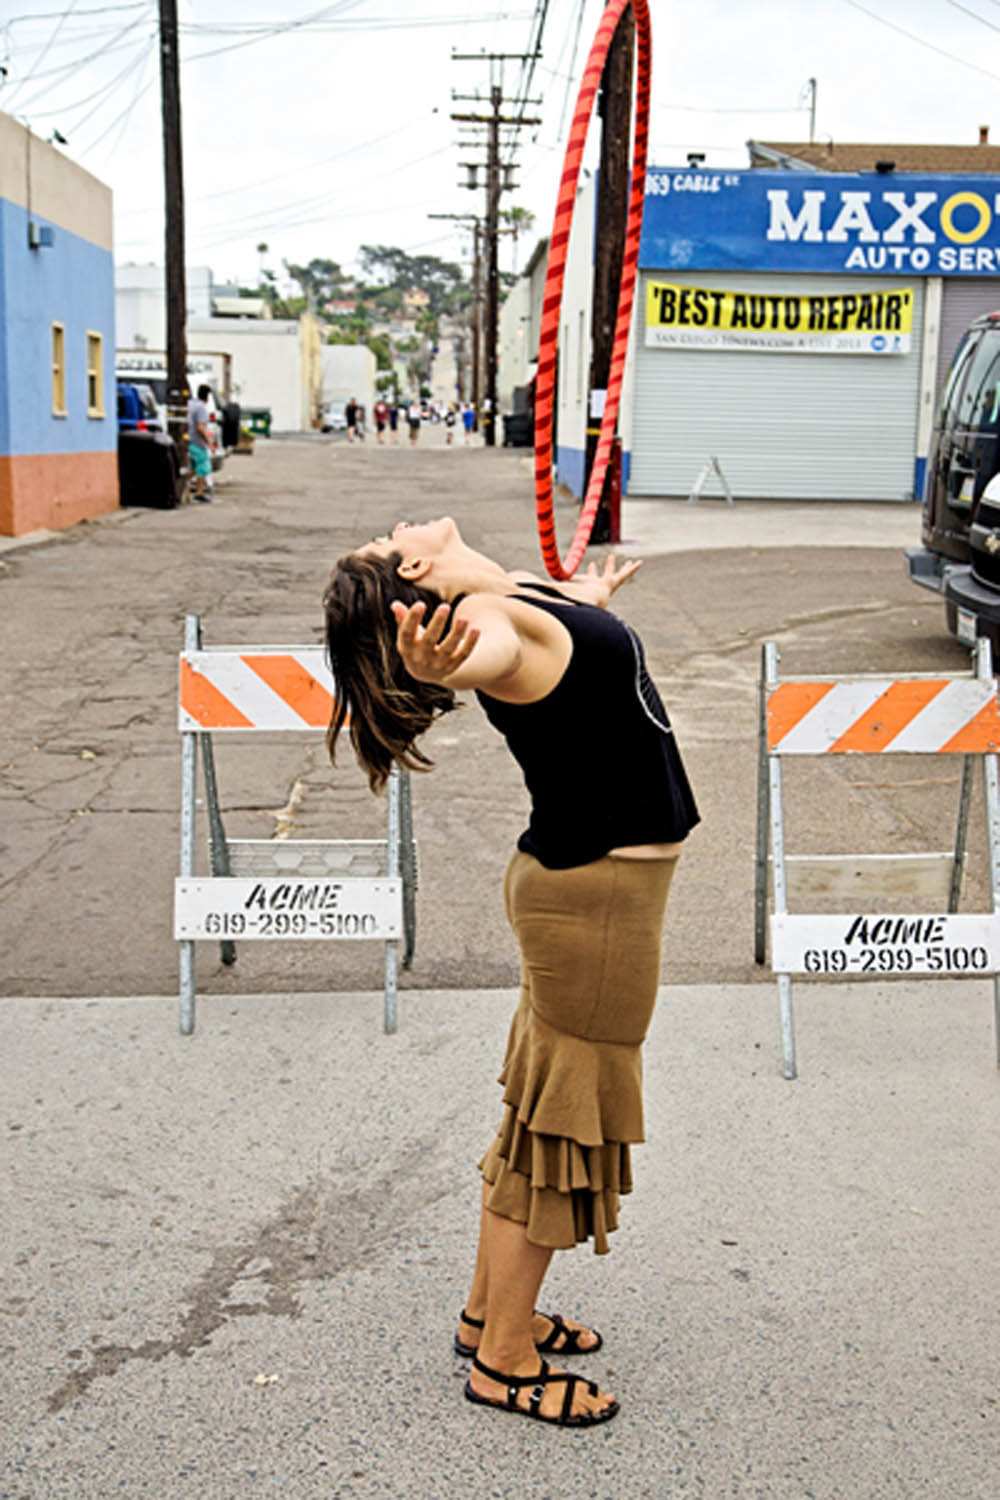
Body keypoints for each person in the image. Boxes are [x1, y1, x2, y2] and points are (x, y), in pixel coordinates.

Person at [322, 518, 699, 1430]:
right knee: (564, 1132)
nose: (403, 522)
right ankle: (505, 1362)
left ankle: (492, 1314)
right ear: (414, 570)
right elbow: (486, 652)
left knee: (537, 1116)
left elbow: (540, 633)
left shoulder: (514, 590)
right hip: (597, 905)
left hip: (574, 889)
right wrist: (437, 669)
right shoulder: (491, 623)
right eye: (391, 536)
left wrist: (595, 607)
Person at [187, 384, 216, 502]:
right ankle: (199, 492)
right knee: (202, 466)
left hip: (188, 440)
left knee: (193, 468)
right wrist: (209, 443)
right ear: (207, 396)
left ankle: (183, 488)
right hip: (197, 442)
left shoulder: (190, 404)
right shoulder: (201, 408)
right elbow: (200, 427)